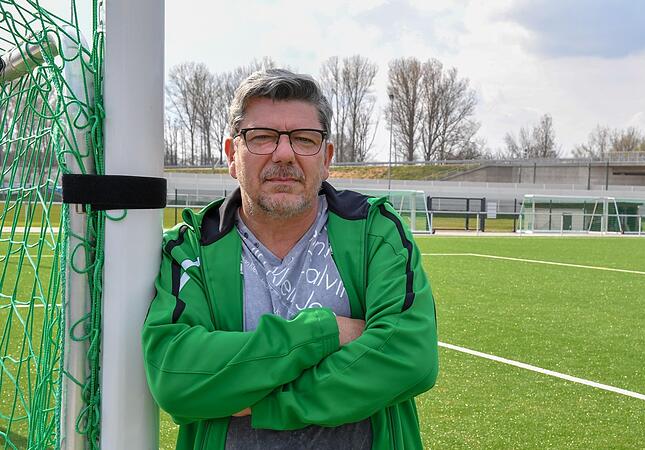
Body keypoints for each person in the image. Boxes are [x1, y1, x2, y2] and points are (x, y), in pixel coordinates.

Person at [142, 68, 439, 450]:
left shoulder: (374, 231)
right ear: (233, 154)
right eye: (262, 137)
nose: (285, 153)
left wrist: (267, 403)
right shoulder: (192, 248)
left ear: (327, 157)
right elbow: (176, 376)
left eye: (304, 139)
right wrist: (326, 332)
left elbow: (409, 357)